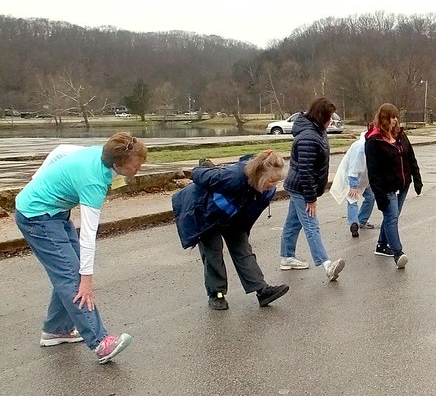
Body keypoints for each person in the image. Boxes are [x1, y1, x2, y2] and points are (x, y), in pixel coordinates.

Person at [14, 133, 145, 363]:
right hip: (36, 217)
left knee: (68, 272)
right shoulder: (93, 181)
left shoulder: (98, 153)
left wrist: (37, 181)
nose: (139, 169)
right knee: (72, 277)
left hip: (54, 213)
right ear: (119, 164)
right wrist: (86, 280)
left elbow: (61, 150)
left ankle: (57, 329)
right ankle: (100, 342)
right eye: (137, 165)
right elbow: (88, 236)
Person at [172, 150, 290, 310]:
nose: (273, 186)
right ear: (259, 174)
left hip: (233, 217)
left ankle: (262, 291)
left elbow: (250, 216)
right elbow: (200, 174)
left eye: (277, 181)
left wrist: (244, 234)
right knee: (213, 252)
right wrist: (198, 169)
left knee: (243, 250)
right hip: (206, 213)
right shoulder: (233, 176)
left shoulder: (266, 191)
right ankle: (217, 295)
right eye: (270, 181)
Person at [279, 97, 345, 281]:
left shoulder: (317, 130)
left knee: (293, 222)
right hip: (301, 187)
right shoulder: (308, 137)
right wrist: (311, 198)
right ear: (320, 116)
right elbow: (305, 172)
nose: (331, 120)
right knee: (311, 224)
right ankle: (326, 265)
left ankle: (286, 257)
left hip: (300, 186)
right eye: (329, 116)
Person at [365, 103, 423, 269]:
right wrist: (380, 196)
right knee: (391, 217)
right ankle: (398, 253)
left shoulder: (400, 135)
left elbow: (410, 157)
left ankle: (382, 245)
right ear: (384, 118)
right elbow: (373, 171)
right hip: (386, 187)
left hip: (403, 183)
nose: (395, 120)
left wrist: (417, 178)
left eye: (396, 116)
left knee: (392, 216)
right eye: (392, 117)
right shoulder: (373, 140)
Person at [329, 130, 376, 237]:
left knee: (366, 198)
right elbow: (354, 168)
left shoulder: (370, 145)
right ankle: (356, 222)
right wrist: (353, 185)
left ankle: (358, 221)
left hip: (364, 178)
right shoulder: (359, 147)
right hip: (353, 177)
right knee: (354, 198)